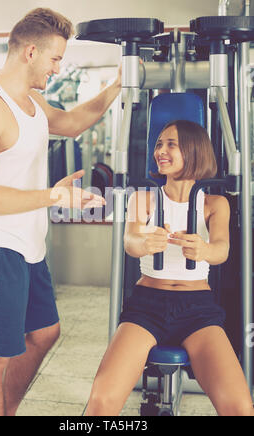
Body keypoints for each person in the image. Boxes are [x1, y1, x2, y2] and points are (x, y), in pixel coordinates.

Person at [0, 8, 121, 416]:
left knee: (46, 333)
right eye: (54, 59)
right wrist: (52, 197)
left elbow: (72, 122)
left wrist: (120, 84)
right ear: (31, 52)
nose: (58, 68)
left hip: (28, 248)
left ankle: (4, 409)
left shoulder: (31, 101)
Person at [85, 120, 254, 417]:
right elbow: (130, 241)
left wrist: (204, 250)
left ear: (194, 150)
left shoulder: (215, 203)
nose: (160, 151)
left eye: (171, 144)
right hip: (146, 306)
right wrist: (145, 243)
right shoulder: (143, 198)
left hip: (197, 309)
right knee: (101, 402)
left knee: (240, 407)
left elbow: (222, 250)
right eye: (159, 144)